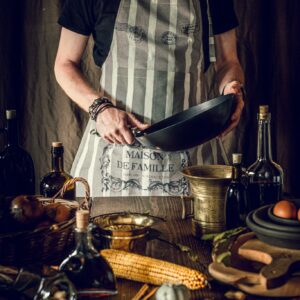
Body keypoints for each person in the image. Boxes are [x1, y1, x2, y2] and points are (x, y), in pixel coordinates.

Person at [55, 0, 245, 197]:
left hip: (193, 162)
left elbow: (228, 62)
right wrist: (100, 109)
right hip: (113, 160)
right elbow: (64, 64)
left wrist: (233, 88)